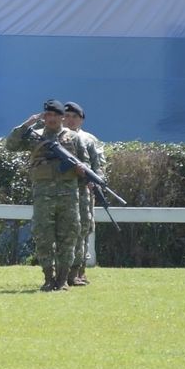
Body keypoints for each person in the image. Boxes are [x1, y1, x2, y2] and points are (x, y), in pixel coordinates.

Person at [6, 100, 91, 292]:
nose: (51, 119)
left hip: (68, 197)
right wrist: (27, 124)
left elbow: (86, 167)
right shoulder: (35, 137)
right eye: (48, 115)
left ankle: (62, 279)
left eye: (55, 115)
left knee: (68, 237)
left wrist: (80, 169)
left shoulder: (74, 139)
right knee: (44, 236)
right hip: (43, 196)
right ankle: (48, 277)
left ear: (62, 117)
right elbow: (10, 144)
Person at [63, 101, 105, 287]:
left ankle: (79, 271)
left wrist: (96, 183)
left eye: (75, 117)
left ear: (81, 120)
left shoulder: (89, 140)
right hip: (62, 191)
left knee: (84, 230)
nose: (70, 120)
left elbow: (99, 165)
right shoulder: (56, 138)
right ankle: (62, 273)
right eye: (67, 116)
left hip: (83, 191)